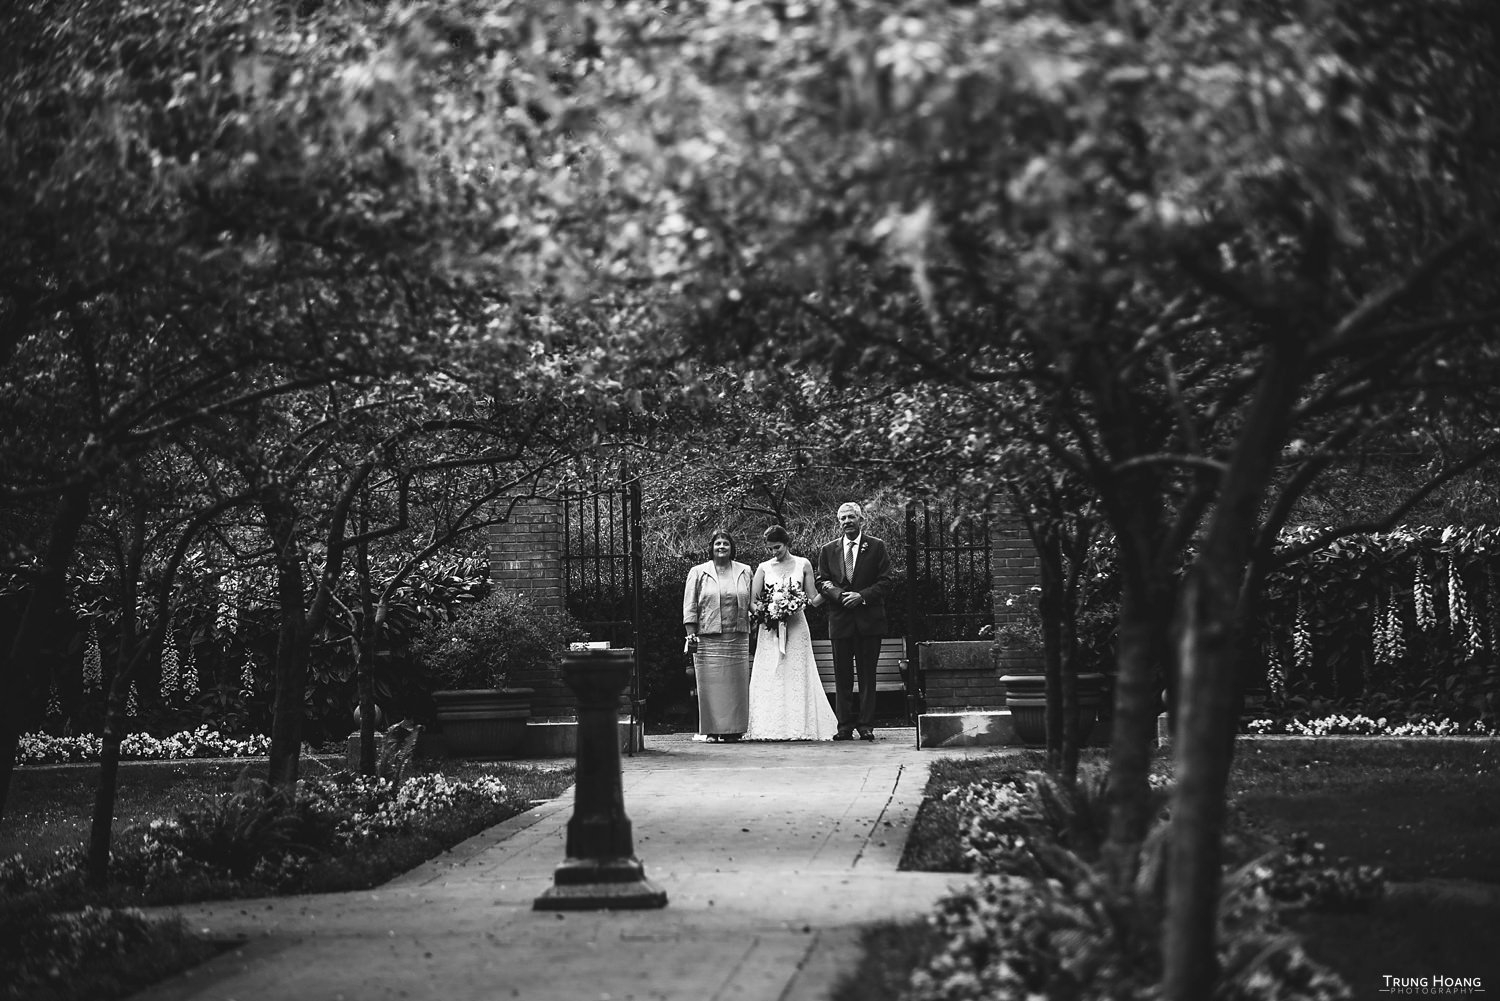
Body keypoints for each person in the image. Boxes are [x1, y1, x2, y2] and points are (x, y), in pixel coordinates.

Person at [744, 524, 840, 741]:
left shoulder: (803, 564)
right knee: (772, 672)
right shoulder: (763, 568)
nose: (774, 552)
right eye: (770, 549)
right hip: (770, 630)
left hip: (796, 627)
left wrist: (830, 589)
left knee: (796, 672)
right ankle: (768, 726)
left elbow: (813, 599)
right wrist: (769, 612)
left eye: (777, 547)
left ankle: (799, 725)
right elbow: (752, 602)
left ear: (787, 543)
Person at [815, 502, 893, 741]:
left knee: (867, 676)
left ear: (861, 520)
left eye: (851, 517)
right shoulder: (828, 550)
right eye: (843, 518)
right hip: (841, 622)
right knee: (843, 676)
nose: (847, 521)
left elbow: (886, 581)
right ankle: (844, 726)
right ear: (838, 522)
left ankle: (866, 725)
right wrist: (839, 595)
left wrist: (862, 597)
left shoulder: (876, 547)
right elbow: (822, 581)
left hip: (869, 621)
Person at [683, 530, 754, 742]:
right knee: (710, 687)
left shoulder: (745, 570)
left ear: (732, 548)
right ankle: (712, 730)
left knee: (736, 686)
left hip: (738, 636)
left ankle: (734, 730)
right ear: (711, 548)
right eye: (717, 544)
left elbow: (752, 599)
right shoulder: (698, 572)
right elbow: (690, 604)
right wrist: (690, 633)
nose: (721, 547)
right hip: (707, 636)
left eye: (725, 543)